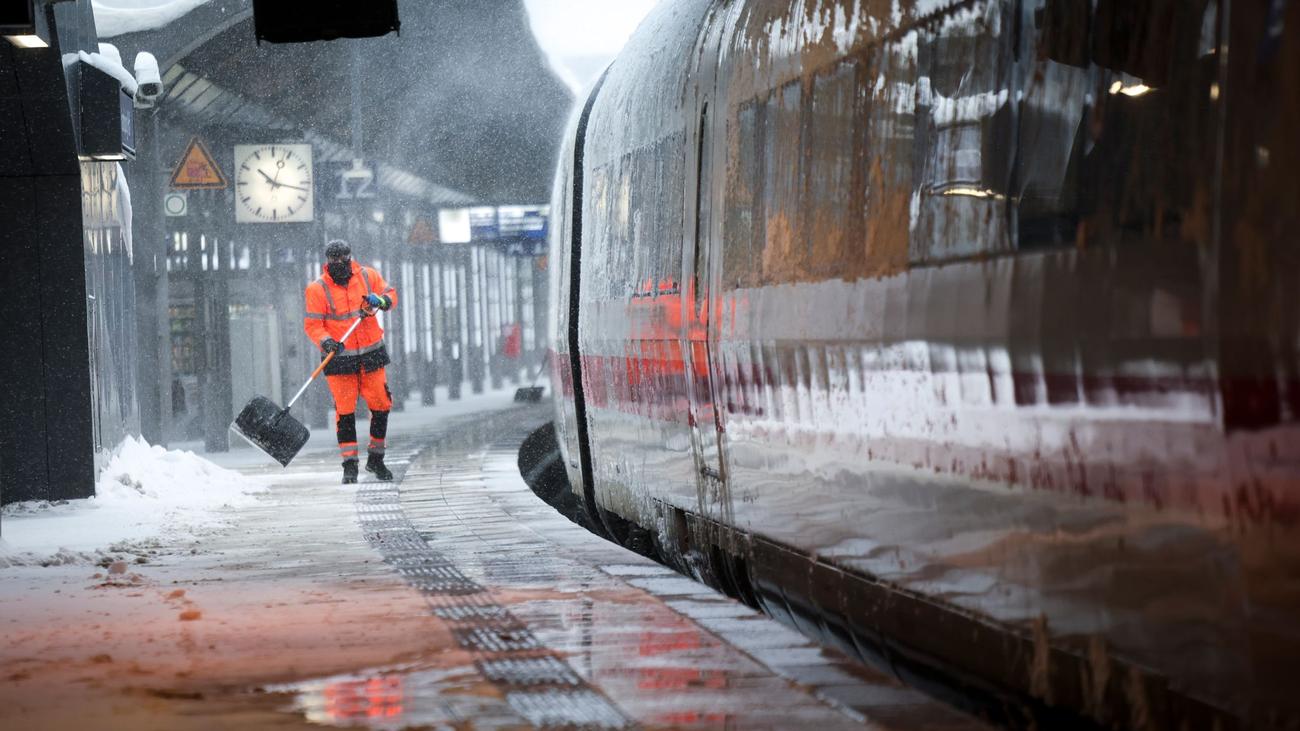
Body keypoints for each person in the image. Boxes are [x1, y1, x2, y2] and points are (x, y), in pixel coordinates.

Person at [303, 240, 398, 484]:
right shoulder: (317, 289)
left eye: (343, 258)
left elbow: (391, 295)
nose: (339, 264)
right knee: (345, 412)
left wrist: (381, 301)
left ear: (350, 256)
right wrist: (326, 342)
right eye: (334, 260)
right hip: (339, 359)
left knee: (381, 405)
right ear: (327, 261)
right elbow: (313, 325)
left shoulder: (368, 276)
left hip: (371, 354)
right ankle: (350, 465)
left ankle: (376, 459)